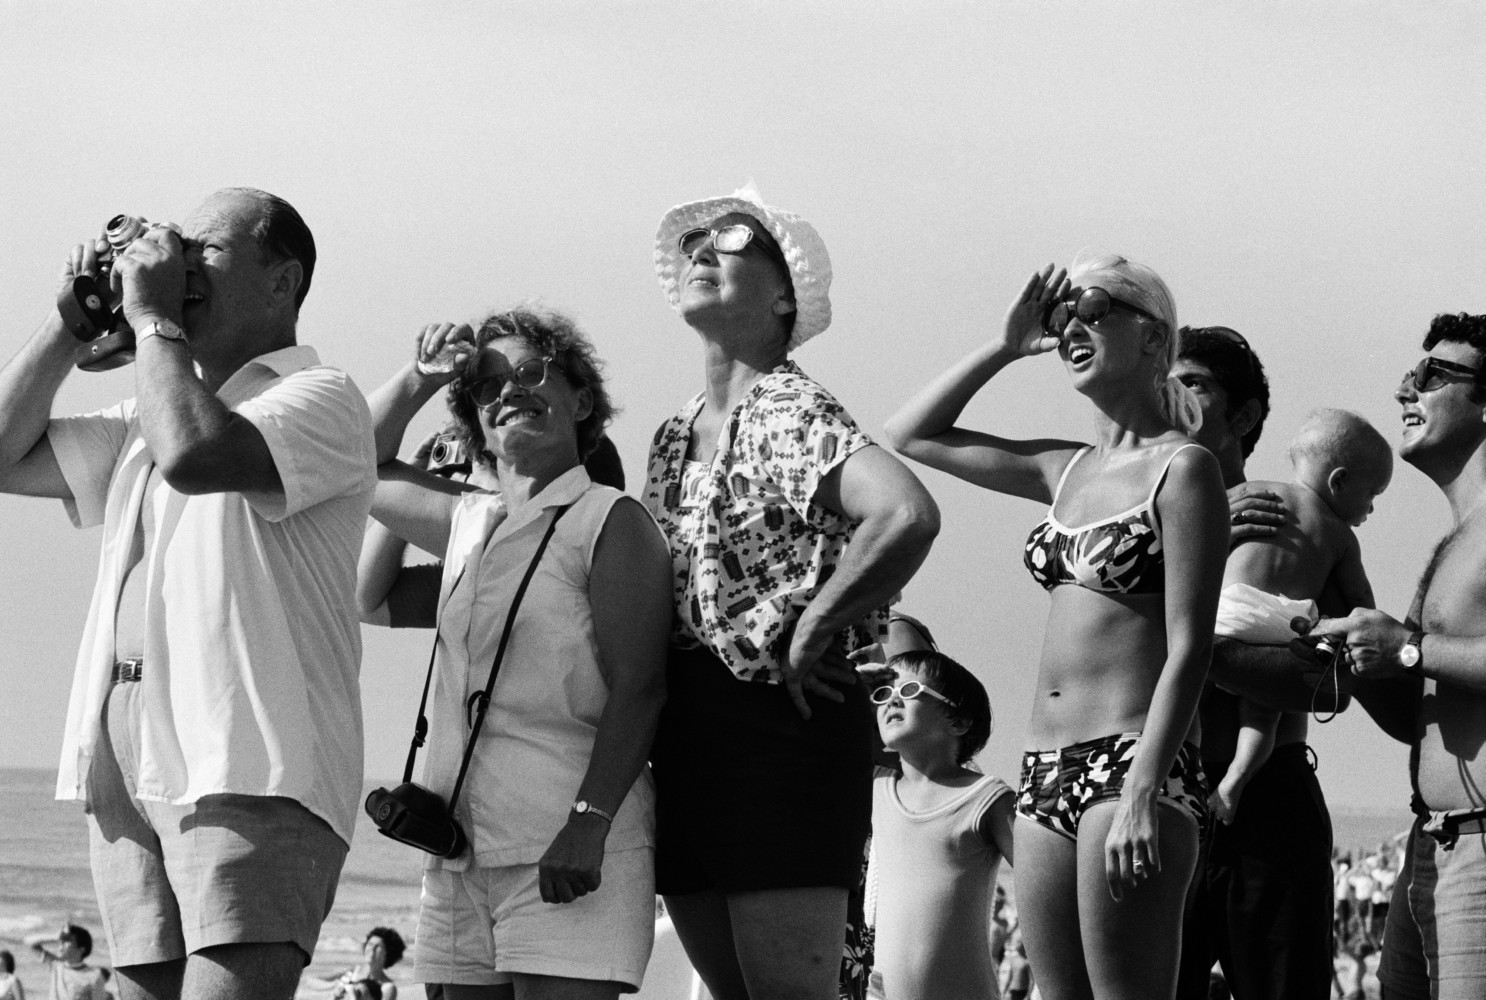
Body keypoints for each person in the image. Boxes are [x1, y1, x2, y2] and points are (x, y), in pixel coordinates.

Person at [0, 190, 376, 1000]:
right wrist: (71, 323)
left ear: (283, 281)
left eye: (205, 248)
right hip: (129, 753)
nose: (180, 263)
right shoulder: (153, 406)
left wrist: (151, 321)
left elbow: (196, 456)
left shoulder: (321, 396)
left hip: (251, 760)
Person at [886, 253, 1228, 999]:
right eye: (1062, 313)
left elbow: (1191, 646)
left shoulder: (1184, 469)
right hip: (1044, 770)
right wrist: (1007, 346)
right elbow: (909, 434)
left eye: (1095, 308)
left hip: (1133, 762)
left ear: (1154, 337)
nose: (1073, 326)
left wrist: (1142, 790)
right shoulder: (1063, 470)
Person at [643, 185, 940, 1000]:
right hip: (689, 728)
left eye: (734, 239)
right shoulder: (673, 434)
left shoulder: (789, 405)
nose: (705, 250)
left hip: (782, 722)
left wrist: (815, 627)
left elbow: (906, 513)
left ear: (785, 296)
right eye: (695, 242)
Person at [358, 309, 671, 999]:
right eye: (486, 385)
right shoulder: (469, 522)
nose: (508, 390)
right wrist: (421, 378)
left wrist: (588, 823)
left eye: (532, 372)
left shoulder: (609, 520)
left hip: (565, 845)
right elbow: (361, 463)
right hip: (458, 853)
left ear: (582, 402)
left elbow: (641, 687)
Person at [1171, 326, 1349, 1000]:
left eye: (1193, 383)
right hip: (1158, 788)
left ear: (1243, 417)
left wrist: (1200, 651)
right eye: (1164, 381)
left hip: (1268, 802)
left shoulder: (1288, 524)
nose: (1170, 395)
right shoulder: (1124, 529)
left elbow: (1332, 683)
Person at [1314, 312, 1486, 1000]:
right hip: (1431, 843)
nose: (1405, 390)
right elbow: (1416, 717)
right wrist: (1336, 617)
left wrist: (1409, 647)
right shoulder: (1456, 542)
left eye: (1432, 375)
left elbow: (1415, 656)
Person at [1206, 408, 1391, 825]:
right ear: (1339, 481)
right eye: (1372, 495)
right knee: (1262, 713)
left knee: (1189, 689)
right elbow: (1361, 605)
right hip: (1282, 625)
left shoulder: (1251, 494)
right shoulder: (1339, 535)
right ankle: (1233, 784)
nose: (1371, 509)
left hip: (1227, 611)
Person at [868, 650, 1014, 1000]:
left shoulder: (987, 797)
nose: (892, 701)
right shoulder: (875, 787)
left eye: (909, 690)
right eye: (883, 694)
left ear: (959, 722)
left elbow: (1040, 881)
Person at [307, 927, 405, 1000]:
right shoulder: (353, 972)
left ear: (389, 952)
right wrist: (334, 985)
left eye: (378, 946)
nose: (372, 948)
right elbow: (311, 981)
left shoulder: (387, 987)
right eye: (370, 944)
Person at [26, 927, 106, 1000]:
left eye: (67, 941)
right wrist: (54, 937)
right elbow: (30, 943)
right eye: (61, 941)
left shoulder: (94, 975)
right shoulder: (56, 965)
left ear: (81, 949)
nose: (61, 944)